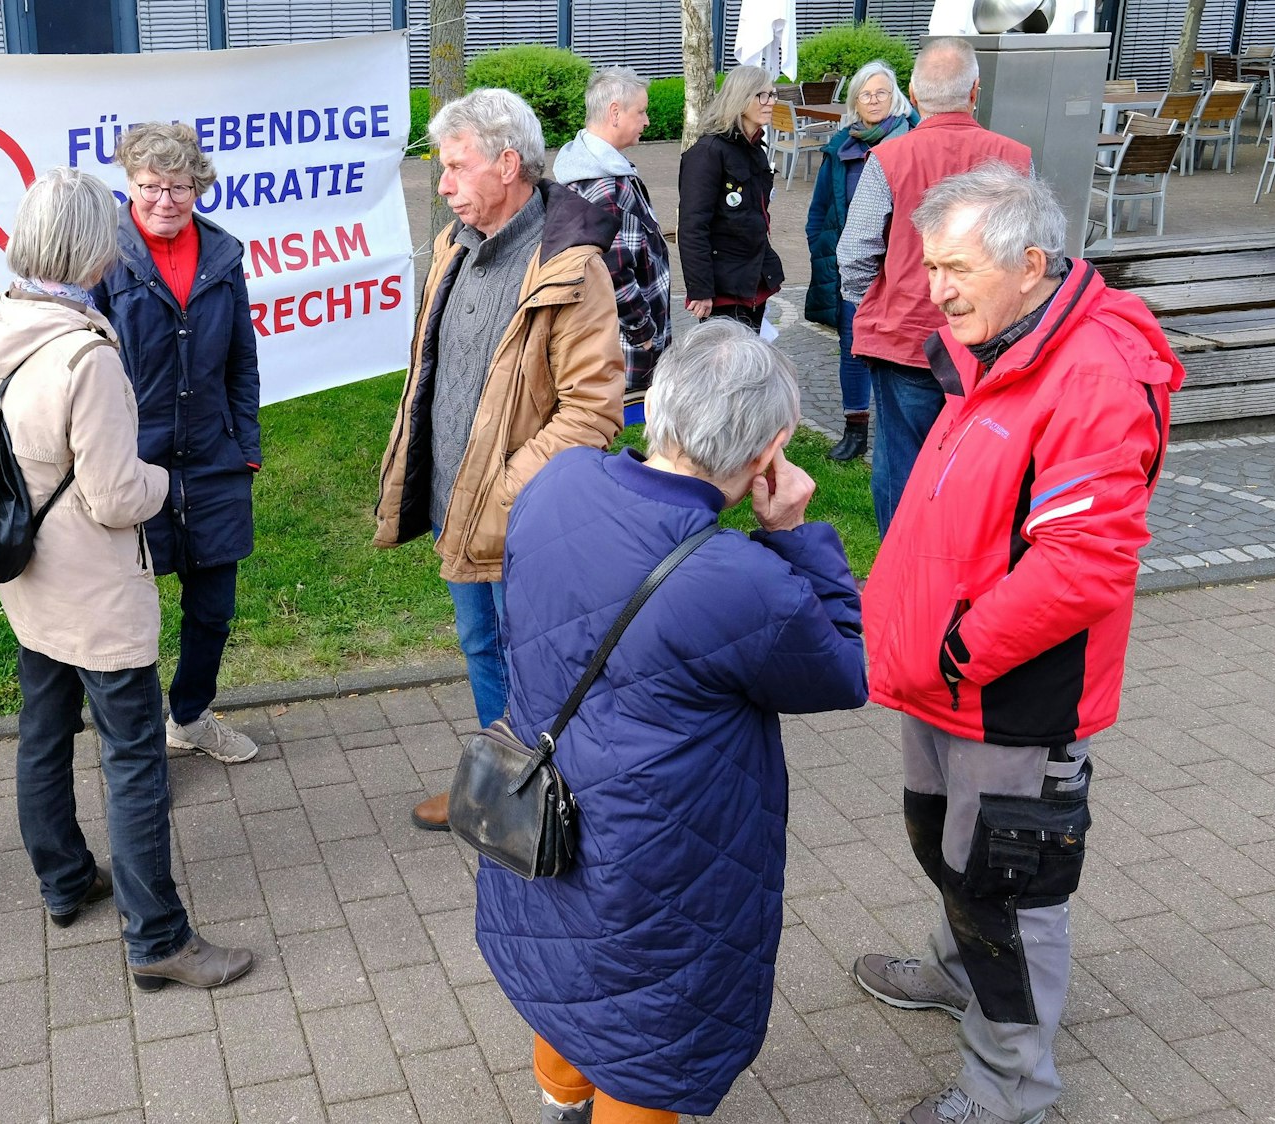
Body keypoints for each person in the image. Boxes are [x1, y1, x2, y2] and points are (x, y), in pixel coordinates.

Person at [477, 319, 868, 1124]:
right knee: (641, 1031)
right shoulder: (739, 580)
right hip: (661, 857)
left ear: (655, 404)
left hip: (543, 809)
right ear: (773, 449)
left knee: (567, 981)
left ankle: (559, 1105)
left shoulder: (560, 481)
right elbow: (844, 671)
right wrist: (794, 535)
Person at [853, 166, 1181, 1124]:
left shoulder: (1090, 374)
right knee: (947, 846)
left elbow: (1082, 566)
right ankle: (961, 971)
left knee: (1009, 893)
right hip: (944, 680)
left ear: (1030, 264)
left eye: (955, 267)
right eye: (932, 266)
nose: (937, 288)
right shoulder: (1001, 345)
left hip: (1006, 691)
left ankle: (1009, 1093)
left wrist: (955, 650)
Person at [0, 166, 253, 991]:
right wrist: (176, 483)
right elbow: (117, 494)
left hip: (33, 576)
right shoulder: (84, 355)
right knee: (134, 757)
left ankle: (63, 882)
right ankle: (157, 935)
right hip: (93, 587)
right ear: (94, 245)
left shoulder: (2, 320)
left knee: (44, 732)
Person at [374, 87, 623, 833]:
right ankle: (496, 786)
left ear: (508, 163)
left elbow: (593, 410)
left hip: (526, 521)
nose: (443, 183)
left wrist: (505, 492)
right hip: (462, 512)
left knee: (542, 667)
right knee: (483, 650)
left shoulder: (571, 270)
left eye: (456, 166)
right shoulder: (454, 245)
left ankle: (558, 803)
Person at [94, 122, 263, 766]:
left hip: (215, 460)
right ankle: (136, 746)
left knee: (214, 607)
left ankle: (190, 715)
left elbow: (241, 362)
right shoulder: (104, 257)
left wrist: (244, 444)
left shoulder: (223, 255)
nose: (166, 200)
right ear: (129, 187)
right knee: (130, 614)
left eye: (180, 187)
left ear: (199, 186)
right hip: (132, 461)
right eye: (150, 187)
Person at [837, 37, 1030, 534]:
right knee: (984, 463)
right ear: (975, 92)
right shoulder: (1015, 161)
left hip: (907, 338)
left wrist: (874, 301)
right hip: (993, 340)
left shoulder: (888, 158)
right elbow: (1034, 251)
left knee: (901, 462)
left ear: (913, 97)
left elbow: (854, 252)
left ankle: (899, 577)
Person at [804, 60, 914, 462]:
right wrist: (824, 245)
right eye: (865, 94)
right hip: (855, 267)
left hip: (902, 270)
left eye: (881, 92)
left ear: (895, 97)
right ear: (854, 101)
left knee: (900, 349)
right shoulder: (841, 148)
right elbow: (818, 210)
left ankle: (897, 429)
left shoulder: (912, 141)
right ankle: (855, 429)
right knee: (852, 347)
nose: (873, 100)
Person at [553, 65, 673, 404]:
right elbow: (612, 271)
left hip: (613, 343)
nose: (647, 120)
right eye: (642, 111)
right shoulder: (604, 185)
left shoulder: (594, 169)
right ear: (615, 113)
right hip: (624, 351)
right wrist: (645, 335)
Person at [677, 65, 782, 332]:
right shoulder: (708, 152)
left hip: (752, 280)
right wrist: (700, 289)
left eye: (773, 94)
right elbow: (692, 227)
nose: (771, 102)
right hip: (724, 287)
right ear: (741, 97)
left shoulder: (754, 147)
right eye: (763, 95)